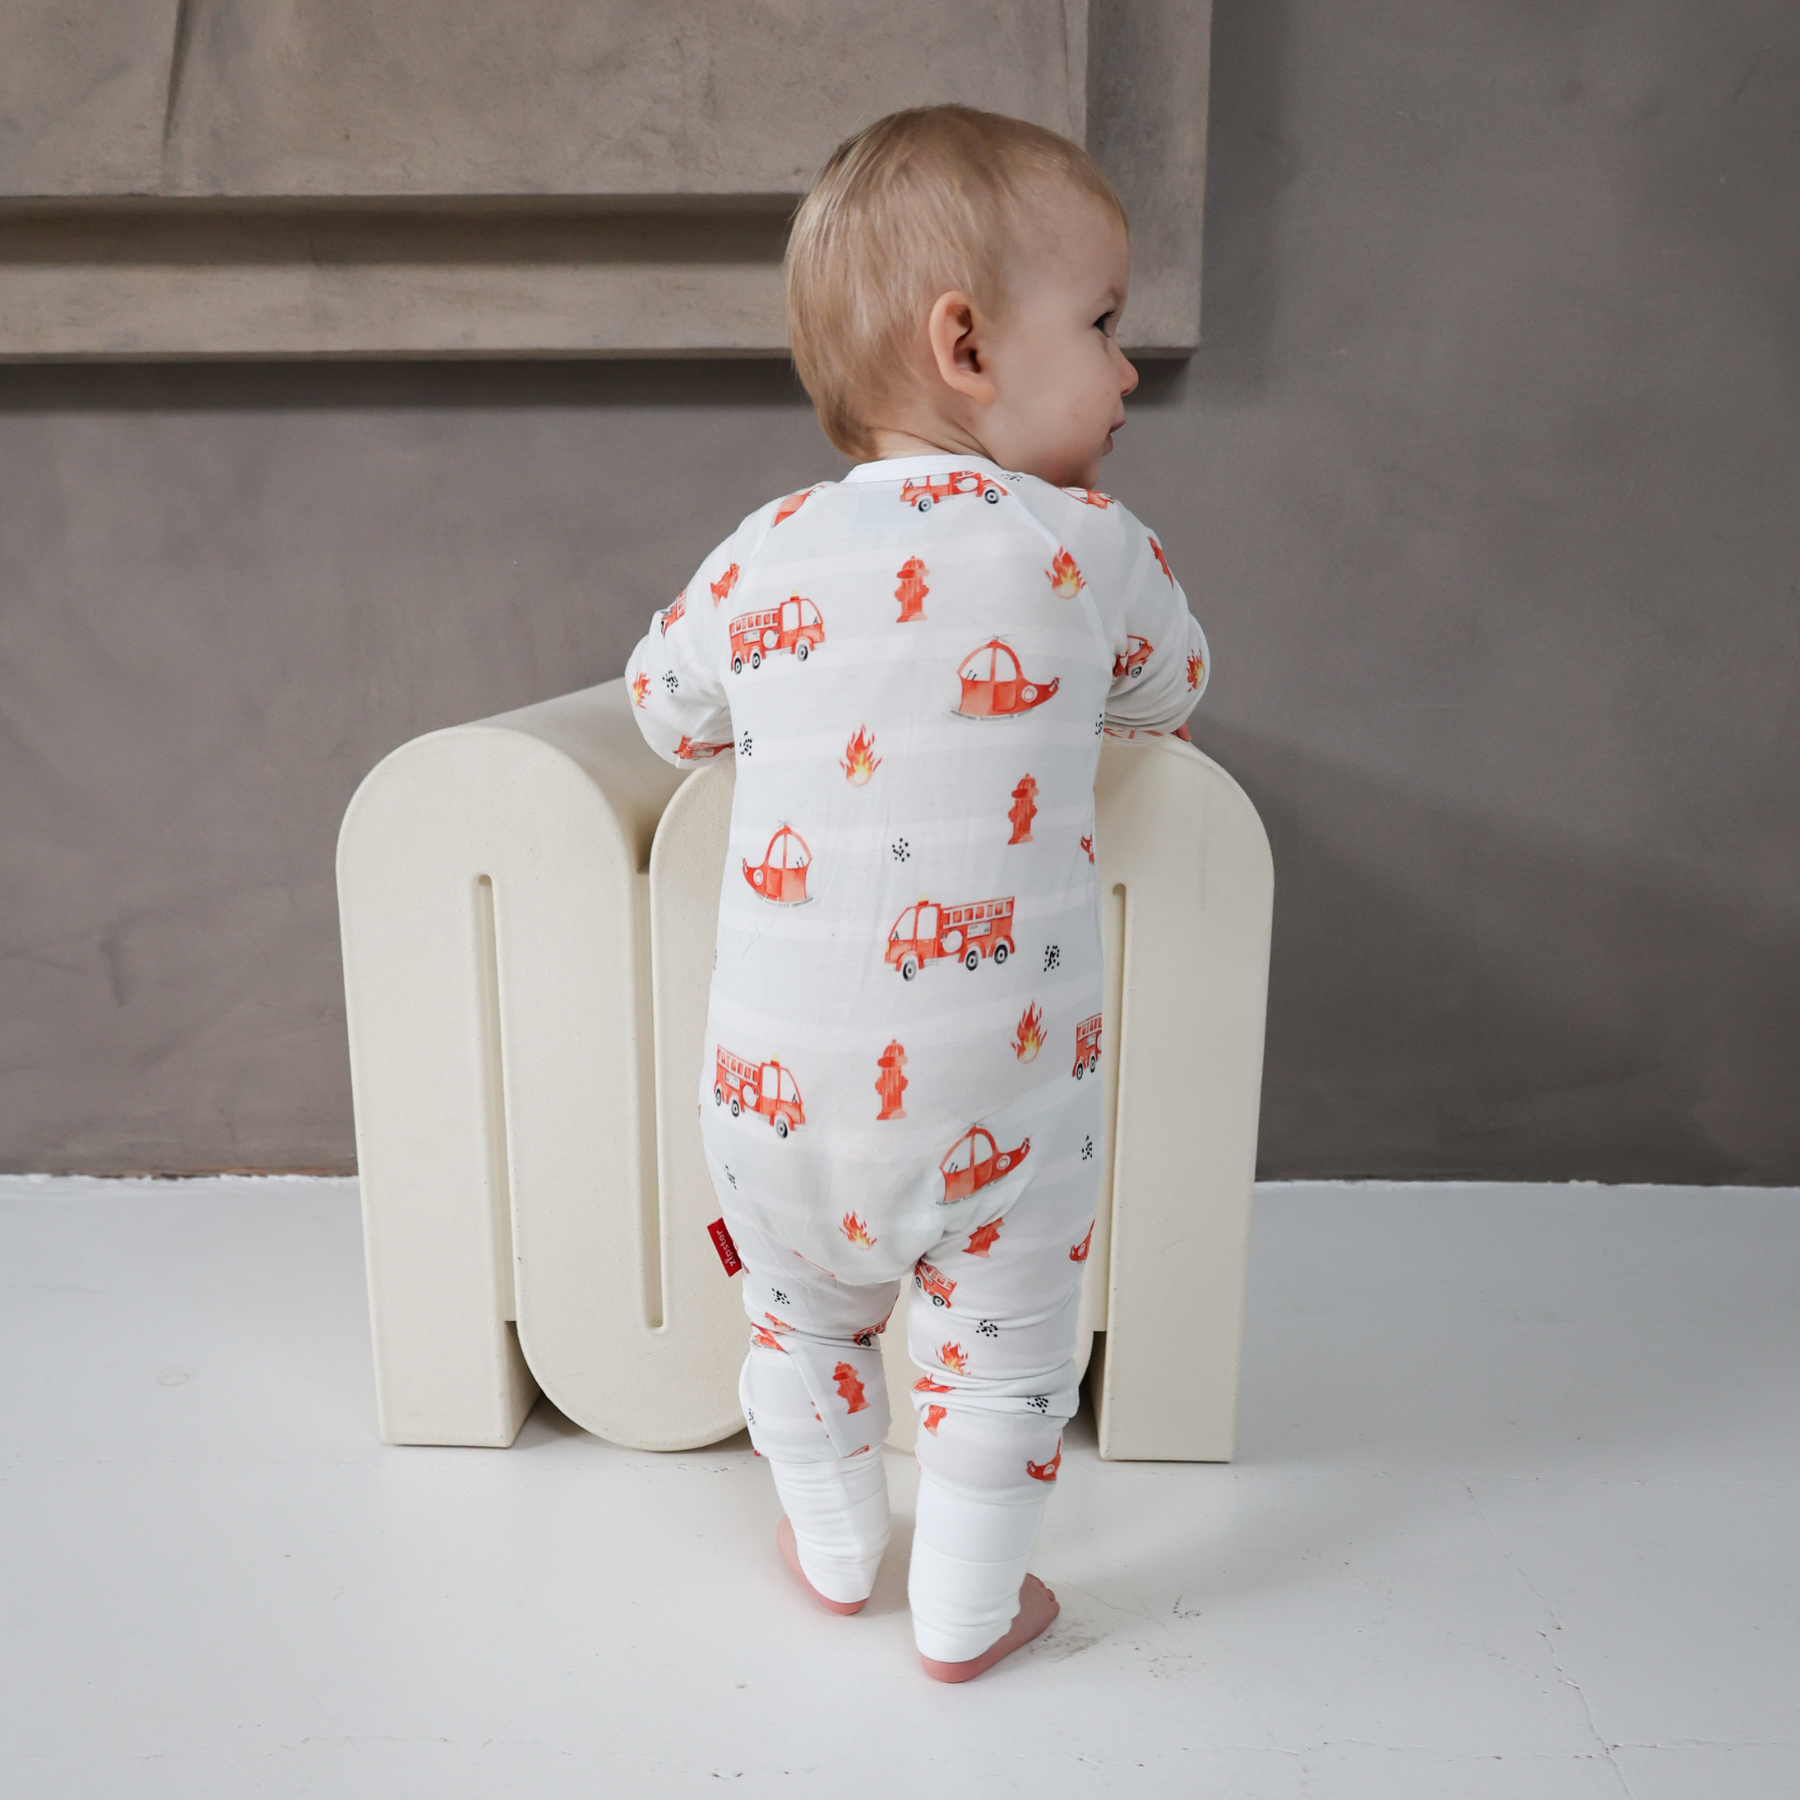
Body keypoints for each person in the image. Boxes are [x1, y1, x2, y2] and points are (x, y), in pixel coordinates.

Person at [625, 104, 1208, 1681]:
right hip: (997, 1093)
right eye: (1103, 324)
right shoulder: (1086, 544)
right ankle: (967, 1612)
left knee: (799, 1323)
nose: (1128, 371)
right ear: (966, 346)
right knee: (1001, 1356)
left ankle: (829, 1550)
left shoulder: (762, 554)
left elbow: (661, 709)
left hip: (774, 1095)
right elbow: (1175, 687)